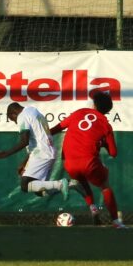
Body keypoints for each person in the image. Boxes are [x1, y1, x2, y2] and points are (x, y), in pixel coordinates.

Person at [50, 92, 125, 228]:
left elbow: (57, 128)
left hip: (69, 162)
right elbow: (113, 153)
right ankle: (116, 222)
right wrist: (102, 143)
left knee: (81, 179)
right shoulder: (105, 125)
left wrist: (42, 136)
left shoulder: (80, 112)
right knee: (105, 186)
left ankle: (93, 209)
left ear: (94, 105)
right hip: (88, 163)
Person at [0, 103, 70, 200]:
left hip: (41, 153)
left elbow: (24, 141)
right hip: (48, 152)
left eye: (14, 120)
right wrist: (25, 162)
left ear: (13, 114)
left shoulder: (22, 116)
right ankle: (70, 184)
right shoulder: (33, 110)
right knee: (40, 191)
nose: (16, 123)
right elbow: (36, 140)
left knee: (25, 185)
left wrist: (5, 154)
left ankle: (61, 183)